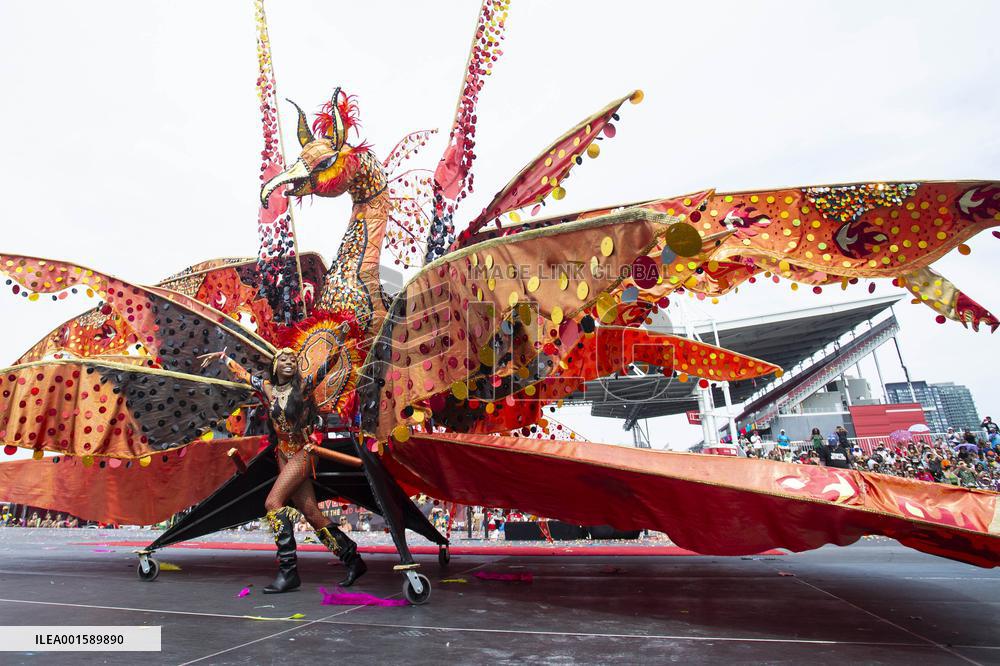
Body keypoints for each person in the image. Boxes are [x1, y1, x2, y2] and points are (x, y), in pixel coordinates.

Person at [202, 347, 366, 594]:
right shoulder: (269, 388)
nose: (290, 362)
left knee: (273, 503)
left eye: (294, 360)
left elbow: (322, 371)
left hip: (303, 452)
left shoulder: (302, 388)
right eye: (284, 359)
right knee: (311, 513)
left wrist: (338, 347)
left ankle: (288, 572)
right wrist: (223, 358)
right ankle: (353, 559)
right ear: (276, 364)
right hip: (283, 454)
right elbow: (245, 376)